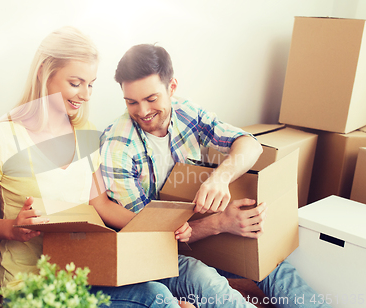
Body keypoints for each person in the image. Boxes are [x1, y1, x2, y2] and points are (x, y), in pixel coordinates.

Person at [98, 43, 331, 308]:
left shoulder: (185, 111)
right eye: (132, 102)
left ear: (171, 88)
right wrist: (220, 223)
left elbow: (249, 143)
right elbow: (150, 237)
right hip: (153, 251)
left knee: (274, 266)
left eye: (151, 99)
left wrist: (221, 178)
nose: (142, 111)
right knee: (205, 281)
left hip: (195, 229)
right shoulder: (118, 147)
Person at [0, 27, 194, 308]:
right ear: (44, 71)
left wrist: (164, 227)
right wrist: (13, 228)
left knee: (158, 297)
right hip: (31, 285)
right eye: (76, 83)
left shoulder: (87, 133)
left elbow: (101, 205)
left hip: (84, 273)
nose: (86, 95)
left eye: (91, 84)